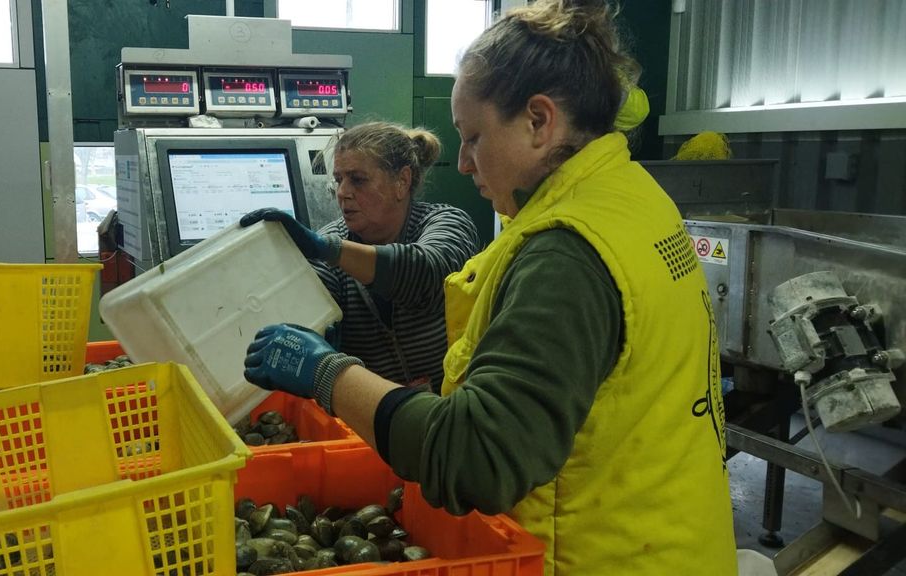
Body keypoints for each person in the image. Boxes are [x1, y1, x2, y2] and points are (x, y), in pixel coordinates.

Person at [243, 1, 737, 574]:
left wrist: (327, 374)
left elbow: (477, 458)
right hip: (677, 539)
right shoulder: (633, 196)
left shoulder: (568, 252)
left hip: (599, 555)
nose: (463, 160)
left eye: (473, 137)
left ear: (538, 121)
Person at [240, 122, 479, 391]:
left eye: (358, 179)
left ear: (402, 181)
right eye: (339, 179)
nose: (342, 192)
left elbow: (426, 273)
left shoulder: (447, 223)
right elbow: (306, 304)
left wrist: (329, 249)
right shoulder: (330, 245)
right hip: (373, 414)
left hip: (450, 407)